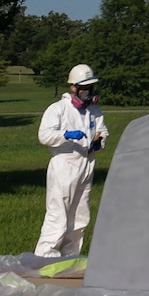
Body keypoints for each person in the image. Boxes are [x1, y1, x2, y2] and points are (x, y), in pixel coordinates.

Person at [35, 64, 108, 258]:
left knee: (80, 216)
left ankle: (71, 255)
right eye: (84, 87)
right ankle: (45, 256)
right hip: (64, 165)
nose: (88, 91)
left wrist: (98, 143)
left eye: (90, 87)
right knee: (58, 213)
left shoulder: (94, 110)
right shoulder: (58, 109)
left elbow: (103, 132)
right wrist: (66, 135)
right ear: (73, 87)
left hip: (86, 164)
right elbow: (44, 135)